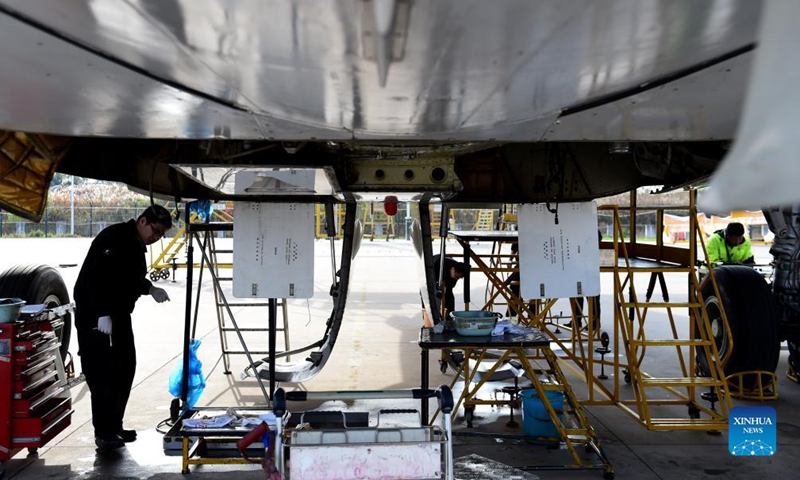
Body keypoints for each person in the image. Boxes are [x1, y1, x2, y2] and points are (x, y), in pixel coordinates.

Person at [74, 205, 173, 451]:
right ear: (142, 221)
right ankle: (104, 433)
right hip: (96, 317)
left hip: (117, 316)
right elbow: (97, 279)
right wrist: (101, 314)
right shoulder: (115, 237)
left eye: (161, 234)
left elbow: (129, 277)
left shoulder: (135, 243)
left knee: (124, 368)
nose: (156, 237)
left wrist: (150, 288)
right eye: (156, 231)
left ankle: (114, 425)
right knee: (103, 375)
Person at [432, 254, 469, 320]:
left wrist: (451, 280)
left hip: (446, 279)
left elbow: (451, 286)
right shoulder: (437, 265)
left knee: (449, 298)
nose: (456, 279)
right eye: (457, 277)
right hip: (432, 275)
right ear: (453, 269)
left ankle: (449, 318)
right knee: (432, 298)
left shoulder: (456, 270)